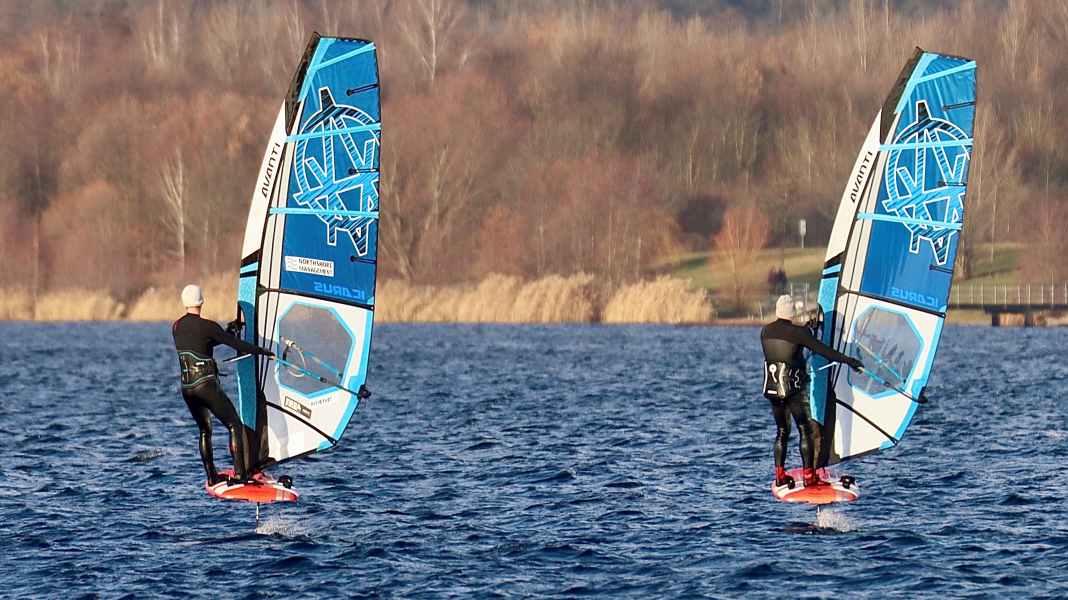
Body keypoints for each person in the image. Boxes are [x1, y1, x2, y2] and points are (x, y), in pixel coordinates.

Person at [172, 284, 273, 485]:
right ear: (202, 301)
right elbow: (234, 344)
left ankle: (211, 477)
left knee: (204, 431)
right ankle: (240, 474)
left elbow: (203, 342)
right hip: (206, 385)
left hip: (187, 388)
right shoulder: (208, 326)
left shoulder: (176, 327)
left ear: (184, 302)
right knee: (234, 424)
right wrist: (262, 351)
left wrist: (228, 330)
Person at [761, 294, 863, 487]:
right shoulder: (798, 333)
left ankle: (779, 475)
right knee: (805, 430)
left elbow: (788, 341)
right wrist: (847, 360)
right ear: (792, 313)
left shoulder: (766, 331)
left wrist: (807, 329)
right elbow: (823, 350)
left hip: (772, 389)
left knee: (782, 431)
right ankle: (810, 476)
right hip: (792, 389)